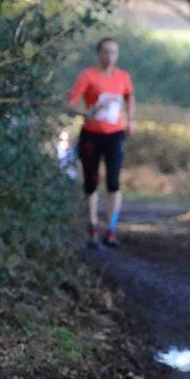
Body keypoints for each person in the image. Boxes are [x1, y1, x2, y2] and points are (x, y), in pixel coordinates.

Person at [66, 37, 135, 248]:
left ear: (118, 54)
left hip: (115, 135)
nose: (109, 57)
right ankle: (93, 226)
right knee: (91, 181)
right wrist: (87, 112)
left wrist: (130, 121)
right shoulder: (88, 76)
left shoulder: (123, 77)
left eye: (113, 52)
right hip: (91, 135)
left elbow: (130, 98)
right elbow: (70, 104)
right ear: (99, 54)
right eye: (105, 52)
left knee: (113, 182)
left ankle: (111, 229)